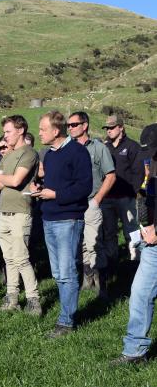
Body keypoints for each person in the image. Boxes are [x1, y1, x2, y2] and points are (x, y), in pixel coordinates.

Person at [31, 111, 92, 338]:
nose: (39, 133)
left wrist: (56, 194)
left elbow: (83, 187)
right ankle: (66, 316)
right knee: (58, 272)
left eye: (43, 129)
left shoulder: (78, 152)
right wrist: (42, 190)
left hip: (68, 219)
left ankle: (66, 322)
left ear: (56, 131)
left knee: (66, 272)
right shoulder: (49, 155)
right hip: (49, 218)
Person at [113, 124, 157, 364]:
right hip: (152, 244)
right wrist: (145, 226)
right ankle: (134, 352)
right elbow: (145, 197)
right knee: (140, 293)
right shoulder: (149, 164)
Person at [0, 115, 41, 315]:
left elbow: (17, 180)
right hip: (3, 211)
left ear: (20, 130)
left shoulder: (28, 153)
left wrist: (1, 178)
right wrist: (4, 179)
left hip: (21, 211)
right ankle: (12, 298)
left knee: (21, 258)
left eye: (9, 132)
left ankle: (33, 299)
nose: (5, 136)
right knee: (8, 258)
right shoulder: (6, 156)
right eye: (4, 132)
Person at [67, 111, 116, 298]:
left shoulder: (98, 148)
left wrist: (97, 199)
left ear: (85, 125)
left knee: (94, 243)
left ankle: (101, 285)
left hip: (91, 202)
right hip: (73, 204)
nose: (70, 128)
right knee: (79, 245)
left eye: (74, 124)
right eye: (68, 125)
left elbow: (110, 175)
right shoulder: (68, 148)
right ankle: (87, 280)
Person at [101, 115, 144, 268]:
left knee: (131, 230)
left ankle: (136, 262)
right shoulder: (105, 147)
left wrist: (132, 193)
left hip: (126, 197)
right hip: (107, 198)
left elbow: (138, 172)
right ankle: (112, 263)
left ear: (121, 127)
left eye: (112, 127)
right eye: (107, 128)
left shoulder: (132, 146)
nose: (109, 130)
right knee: (109, 232)